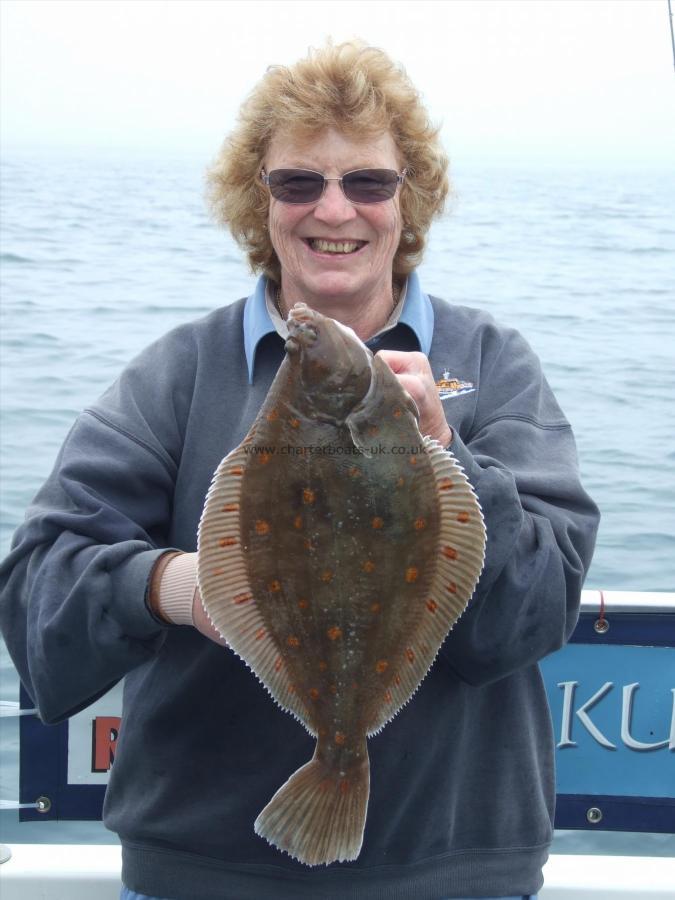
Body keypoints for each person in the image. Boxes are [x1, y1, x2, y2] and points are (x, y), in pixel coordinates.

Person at [0, 40, 599, 900]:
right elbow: (34, 599)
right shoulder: (179, 373)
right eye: (297, 182)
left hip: (454, 864)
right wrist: (184, 588)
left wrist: (446, 456)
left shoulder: (491, 363)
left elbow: (531, 616)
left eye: (368, 182)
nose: (334, 208)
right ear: (262, 202)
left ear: (408, 199)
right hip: (201, 870)